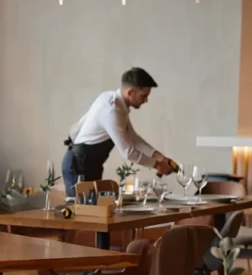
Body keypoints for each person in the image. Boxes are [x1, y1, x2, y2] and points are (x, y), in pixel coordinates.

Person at [62, 67, 177, 196]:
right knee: (83, 213)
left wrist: (160, 157)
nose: (146, 101)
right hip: (78, 166)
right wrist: (157, 165)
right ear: (131, 92)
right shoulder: (112, 110)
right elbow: (128, 152)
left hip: (90, 164)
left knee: (94, 213)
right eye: (143, 96)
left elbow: (134, 139)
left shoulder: (117, 104)